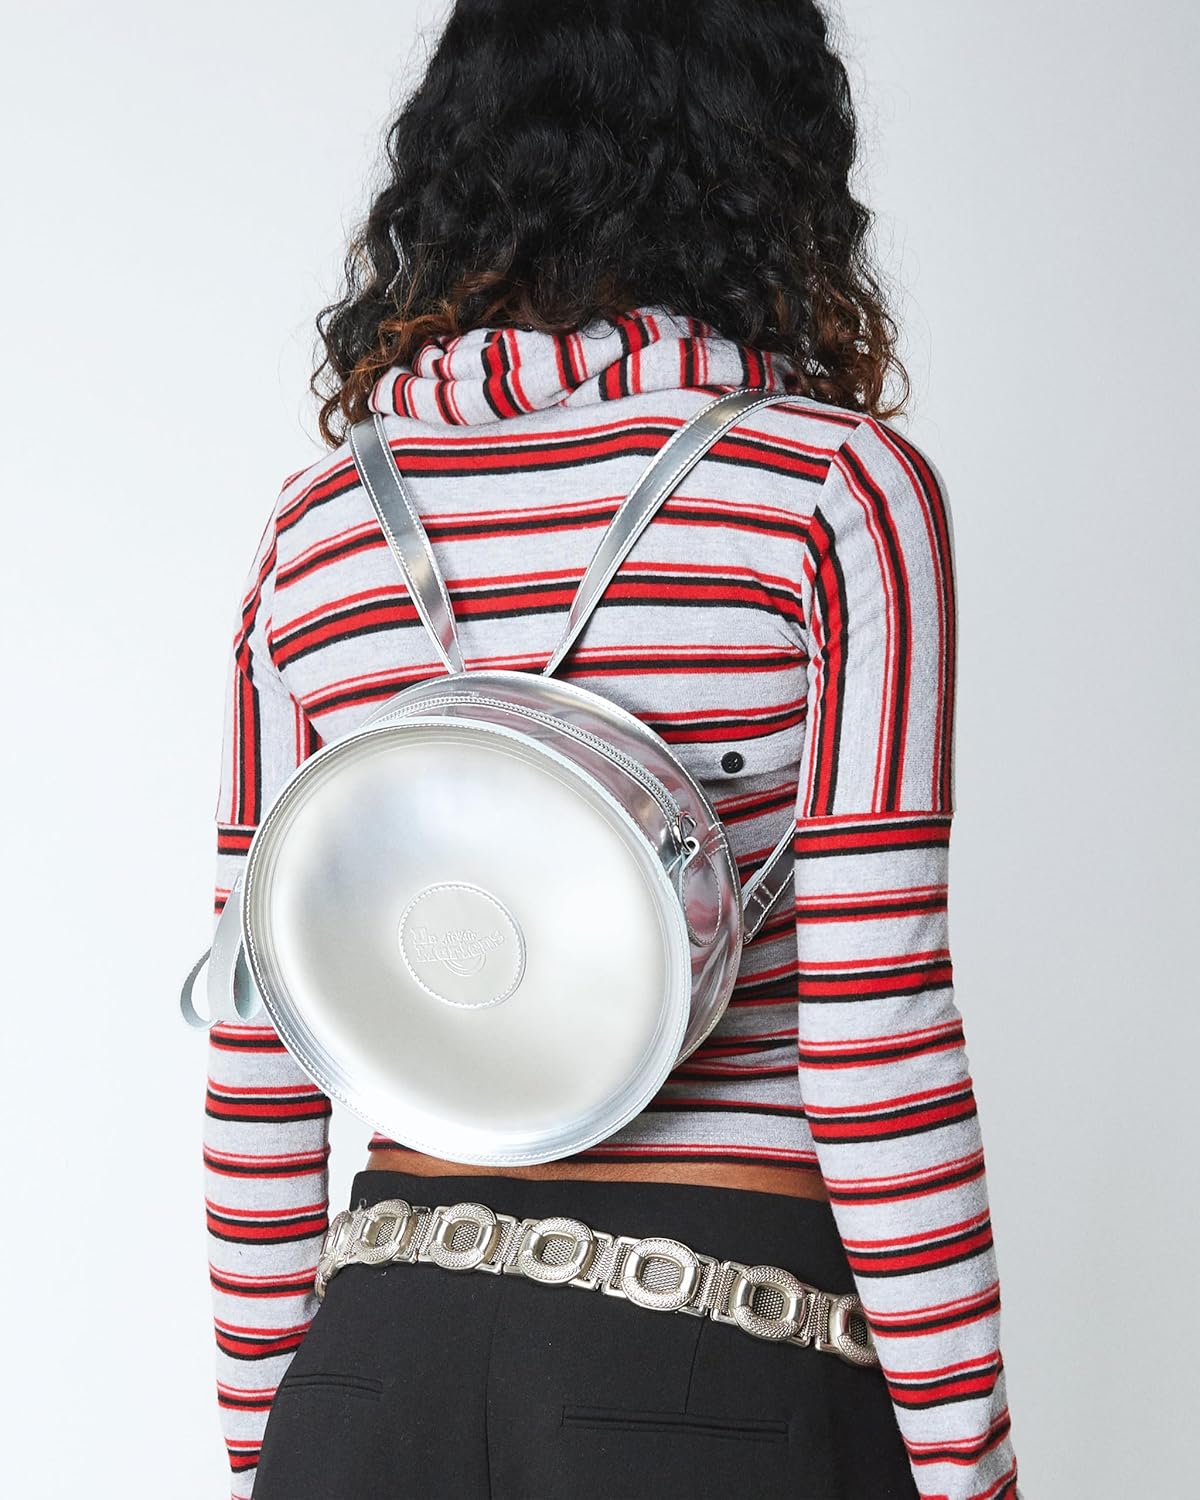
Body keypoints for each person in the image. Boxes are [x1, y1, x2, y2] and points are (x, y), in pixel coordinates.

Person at [200, 3, 1020, 1496]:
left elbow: (261, 1045)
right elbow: (876, 1030)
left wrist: (276, 1441)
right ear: (770, 151)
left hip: (377, 1362)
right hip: (715, 1353)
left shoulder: (315, 533)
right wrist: (972, 1468)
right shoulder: (831, 495)